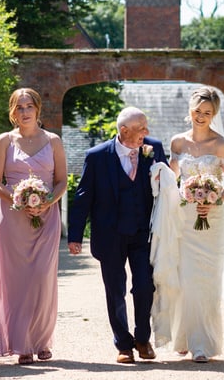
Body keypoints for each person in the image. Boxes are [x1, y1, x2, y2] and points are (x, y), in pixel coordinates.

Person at [68, 107, 168, 364]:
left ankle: (143, 338)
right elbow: (83, 198)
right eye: (141, 128)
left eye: (146, 127)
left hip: (143, 233)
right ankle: (124, 345)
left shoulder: (153, 148)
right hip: (110, 234)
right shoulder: (97, 156)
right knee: (115, 290)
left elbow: (167, 188)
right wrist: (75, 236)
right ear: (124, 131)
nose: (146, 132)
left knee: (145, 286)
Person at [148, 87, 224, 363]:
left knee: (207, 281)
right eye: (198, 111)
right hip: (185, 219)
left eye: (207, 113)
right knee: (185, 279)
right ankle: (184, 338)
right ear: (190, 110)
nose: (201, 117)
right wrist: (156, 172)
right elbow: (171, 179)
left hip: (213, 220)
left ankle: (203, 344)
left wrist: (214, 201)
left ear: (214, 115)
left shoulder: (222, 144)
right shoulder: (177, 143)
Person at [0, 88, 68, 365]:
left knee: (42, 278)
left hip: (46, 216)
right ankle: (22, 343)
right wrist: (18, 200)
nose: (24, 112)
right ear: (13, 111)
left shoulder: (53, 141)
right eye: (19, 107)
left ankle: (42, 339)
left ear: (38, 109)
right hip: (13, 218)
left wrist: (46, 203)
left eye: (29, 106)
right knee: (17, 279)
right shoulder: (4, 141)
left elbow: (61, 182)